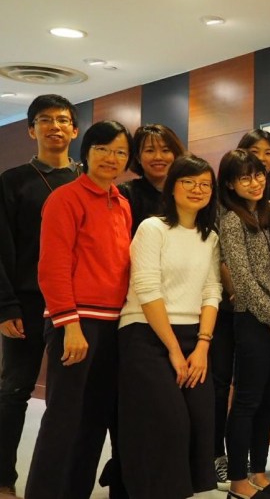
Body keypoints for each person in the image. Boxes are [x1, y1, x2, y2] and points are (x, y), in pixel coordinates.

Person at [24, 120, 133, 499]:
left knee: (94, 420)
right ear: (86, 151)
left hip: (113, 325)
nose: (111, 158)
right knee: (63, 418)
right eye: (103, 149)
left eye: (120, 152)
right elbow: (52, 266)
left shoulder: (122, 203)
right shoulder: (65, 198)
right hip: (76, 322)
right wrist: (69, 324)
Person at [116, 155, 221, 499]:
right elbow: (147, 289)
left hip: (194, 336)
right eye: (188, 182)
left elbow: (212, 290)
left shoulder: (210, 237)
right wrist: (174, 349)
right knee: (169, 422)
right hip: (146, 333)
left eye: (205, 184)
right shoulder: (152, 228)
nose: (197, 189)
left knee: (200, 420)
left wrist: (202, 345)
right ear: (172, 186)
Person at [0, 95, 81, 498]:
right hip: (28, 304)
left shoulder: (88, 180)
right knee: (14, 391)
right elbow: (1, 248)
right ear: (31, 130)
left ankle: (64, 480)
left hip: (80, 304)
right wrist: (5, 306)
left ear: (75, 130)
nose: (55, 127)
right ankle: (3, 479)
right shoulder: (12, 181)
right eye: (45, 120)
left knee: (73, 397)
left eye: (63, 120)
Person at [217, 149, 270, 499]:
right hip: (253, 318)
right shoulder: (231, 219)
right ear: (230, 184)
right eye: (244, 177)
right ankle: (238, 480)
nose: (254, 182)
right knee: (247, 400)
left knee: (267, 399)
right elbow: (242, 279)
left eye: (258, 174)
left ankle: (259, 473)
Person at [118, 123, 185, 236]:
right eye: (150, 150)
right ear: (138, 157)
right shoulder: (125, 193)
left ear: (175, 154)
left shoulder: (184, 192)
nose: (158, 157)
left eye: (165, 150)